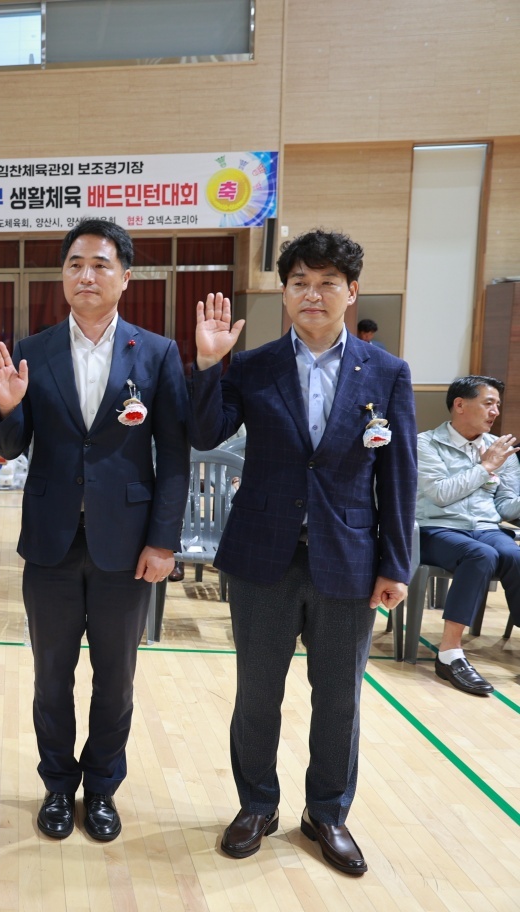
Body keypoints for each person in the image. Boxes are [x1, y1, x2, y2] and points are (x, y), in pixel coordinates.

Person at [189, 229, 415, 875]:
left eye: (326, 283)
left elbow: (398, 475)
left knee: (339, 699)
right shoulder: (253, 366)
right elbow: (205, 433)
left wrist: (396, 564)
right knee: (257, 694)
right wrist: (207, 365)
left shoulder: (387, 373)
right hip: (263, 558)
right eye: (299, 283)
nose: (312, 294)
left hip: (349, 560)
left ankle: (327, 813)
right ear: (284, 293)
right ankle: (257, 805)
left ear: (352, 291)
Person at [0, 219, 189, 843]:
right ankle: (56, 785)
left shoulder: (156, 353)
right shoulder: (35, 348)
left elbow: (173, 455)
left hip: (126, 547)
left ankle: (101, 788)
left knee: (116, 678)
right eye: (75, 264)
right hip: (50, 542)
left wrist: (164, 540)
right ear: (62, 276)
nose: (87, 276)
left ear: (126, 278)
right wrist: (8, 407)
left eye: (100, 265)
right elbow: (11, 446)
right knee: (51, 676)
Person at [416, 376, 520, 696]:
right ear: (460, 405)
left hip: (486, 528)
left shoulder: (500, 449)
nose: (495, 411)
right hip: (435, 529)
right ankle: (449, 654)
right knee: (480, 555)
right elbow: (441, 494)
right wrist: (485, 467)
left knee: (515, 555)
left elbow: (505, 506)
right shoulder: (425, 444)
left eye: (497, 405)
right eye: (488, 403)